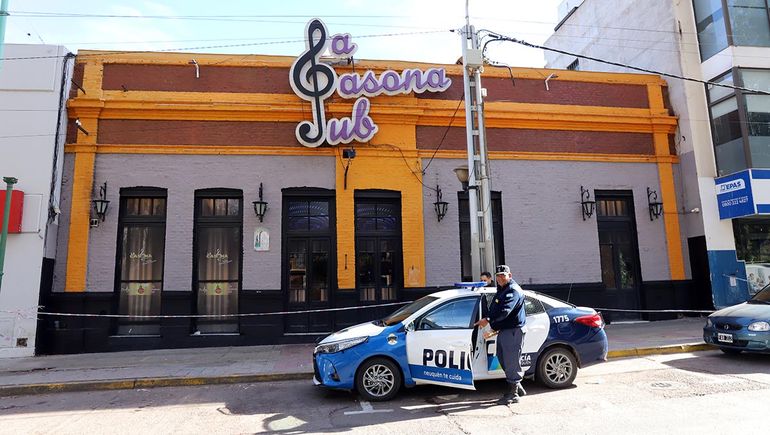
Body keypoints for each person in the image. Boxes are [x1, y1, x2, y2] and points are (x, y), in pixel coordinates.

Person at [473, 264, 527, 405]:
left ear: (510, 275)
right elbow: (495, 309)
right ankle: (518, 387)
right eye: (498, 276)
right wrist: (490, 321)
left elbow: (505, 311)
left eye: (503, 275)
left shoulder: (512, 291)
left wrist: (489, 321)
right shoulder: (502, 289)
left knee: (511, 361)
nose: (500, 278)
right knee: (502, 358)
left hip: (513, 331)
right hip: (505, 330)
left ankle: (513, 394)